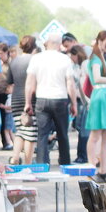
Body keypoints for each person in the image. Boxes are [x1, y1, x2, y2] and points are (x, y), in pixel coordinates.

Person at [24, 34, 76, 166]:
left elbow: (29, 82)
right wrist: (74, 104)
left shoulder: (37, 58)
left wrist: (28, 102)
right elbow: (70, 83)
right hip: (60, 99)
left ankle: (42, 164)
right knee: (62, 134)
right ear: (60, 45)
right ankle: (64, 163)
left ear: (47, 43)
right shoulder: (65, 59)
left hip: (42, 99)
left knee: (42, 134)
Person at [84, 31, 106, 183]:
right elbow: (97, 78)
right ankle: (92, 168)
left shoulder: (101, 57)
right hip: (99, 95)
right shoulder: (96, 58)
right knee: (96, 135)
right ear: (102, 41)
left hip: (105, 95)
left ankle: (103, 170)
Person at [6, 34, 38, 165]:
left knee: (20, 130)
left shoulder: (14, 61)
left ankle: (14, 158)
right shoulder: (35, 60)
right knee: (30, 133)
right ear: (34, 46)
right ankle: (28, 164)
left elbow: (9, 81)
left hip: (16, 99)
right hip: (30, 99)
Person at [69, 45, 90, 163]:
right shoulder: (78, 66)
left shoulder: (84, 65)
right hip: (81, 100)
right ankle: (82, 156)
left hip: (84, 101)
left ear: (77, 54)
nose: (71, 57)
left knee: (84, 130)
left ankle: (83, 156)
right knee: (81, 129)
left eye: (72, 55)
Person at [0, 41, 14, 150]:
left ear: (7, 53)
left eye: (1, 53)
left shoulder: (11, 64)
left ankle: (6, 142)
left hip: (6, 94)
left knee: (6, 120)